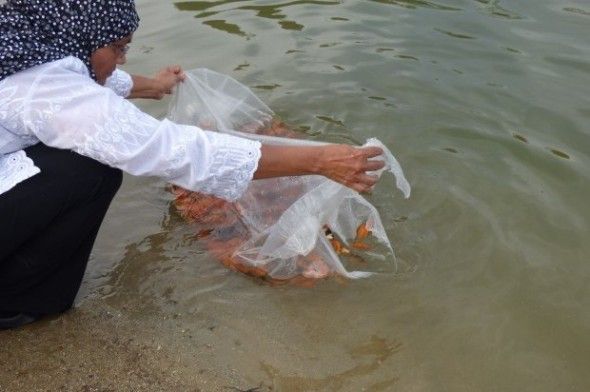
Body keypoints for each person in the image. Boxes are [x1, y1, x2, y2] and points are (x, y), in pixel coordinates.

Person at [0, 0, 385, 330]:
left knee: (79, 160)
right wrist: (319, 160)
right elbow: (170, 151)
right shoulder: (41, 85)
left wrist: (152, 85)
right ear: (78, 35)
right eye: (117, 48)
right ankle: (18, 303)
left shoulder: (21, 42)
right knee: (90, 170)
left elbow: (78, 83)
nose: (121, 60)